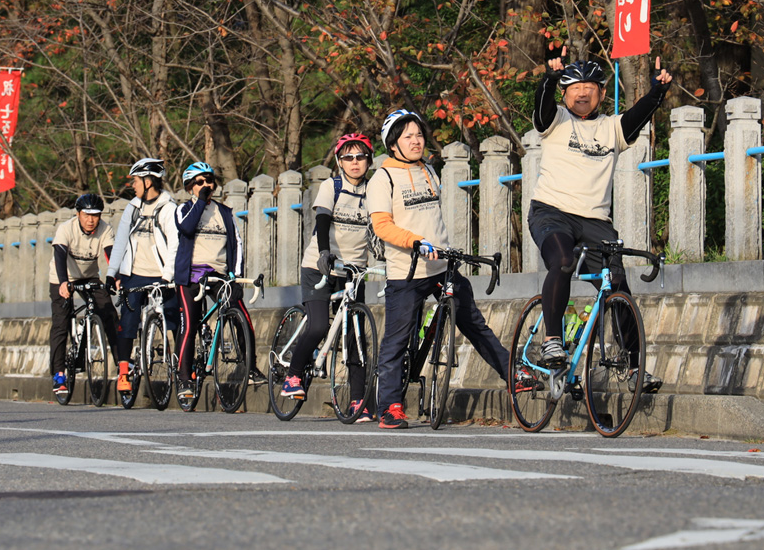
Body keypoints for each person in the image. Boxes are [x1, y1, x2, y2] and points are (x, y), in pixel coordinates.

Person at [529, 51, 671, 393]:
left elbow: (638, 115)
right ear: (565, 94)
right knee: (563, 261)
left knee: (618, 288)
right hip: (551, 212)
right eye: (574, 87)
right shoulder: (556, 120)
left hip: (596, 221)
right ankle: (552, 340)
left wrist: (657, 91)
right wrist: (550, 78)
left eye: (589, 87)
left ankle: (634, 367)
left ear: (602, 93)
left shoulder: (612, 128)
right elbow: (542, 106)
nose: (582, 93)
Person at [369, 109, 510, 429]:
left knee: (473, 323)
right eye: (408, 137)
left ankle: (513, 375)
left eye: (419, 135)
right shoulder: (382, 178)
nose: (416, 141)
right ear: (393, 144)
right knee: (397, 340)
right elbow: (382, 226)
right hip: (406, 271)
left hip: (442, 266)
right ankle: (390, 406)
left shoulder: (429, 170)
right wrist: (414, 241)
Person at [280, 133, 376, 423]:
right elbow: (322, 220)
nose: (355, 162)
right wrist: (324, 252)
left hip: (354, 270)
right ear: (339, 162)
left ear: (369, 160)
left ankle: (358, 401)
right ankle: (293, 375)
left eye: (360, 157)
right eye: (348, 157)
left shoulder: (375, 191)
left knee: (355, 337)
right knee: (319, 325)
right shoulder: (331, 186)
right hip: (318, 266)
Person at [171, 161, 262, 400]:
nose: (206, 185)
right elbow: (187, 228)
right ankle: (184, 378)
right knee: (189, 325)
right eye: (199, 182)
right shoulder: (183, 209)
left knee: (241, 315)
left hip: (220, 275)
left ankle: (251, 367)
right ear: (190, 186)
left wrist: (236, 276)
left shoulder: (225, 212)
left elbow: (237, 243)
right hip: (191, 277)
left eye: (209, 180)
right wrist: (200, 201)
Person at [106, 157, 179, 395]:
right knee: (127, 322)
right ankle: (123, 373)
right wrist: (112, 273)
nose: (133, 185)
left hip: (162, 276)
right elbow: (120, 242)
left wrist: (168, 276)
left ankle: (180, 369)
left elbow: (175, 245)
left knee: (174, 319)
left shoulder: (169, 208)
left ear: (148, 182)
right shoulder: (133, 208)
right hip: (135, 274)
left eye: (136, 180)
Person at [49, 193, 117, 399]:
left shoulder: (105, 229)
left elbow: (110, 254)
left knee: (109, 314)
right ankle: (59, 374)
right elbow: (59, 256)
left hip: (89, 276)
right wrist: (63, 282)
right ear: (78, 214)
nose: (90, 220)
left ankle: (123, 364)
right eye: (86, 215)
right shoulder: (66, 229)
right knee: (61, 323)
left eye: (95, 215)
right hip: (63, 276)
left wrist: (116, 277)